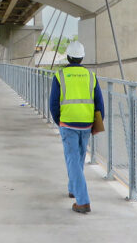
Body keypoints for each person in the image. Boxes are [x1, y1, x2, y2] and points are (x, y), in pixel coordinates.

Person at [49, 41, 104, 214]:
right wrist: (97, 124)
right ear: (81, 58)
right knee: (79, 157)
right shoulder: (91, 76)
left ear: (68, 56)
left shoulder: (60, 76)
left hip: (68, 122)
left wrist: (60, 122)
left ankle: (83, 201)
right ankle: (73, 188)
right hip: (86, 123)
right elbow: (99, 104)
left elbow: (53, 103)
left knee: (72, 158)